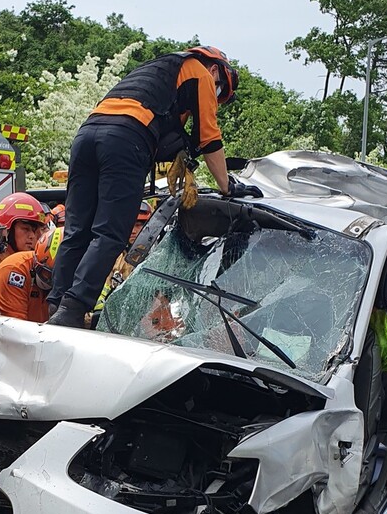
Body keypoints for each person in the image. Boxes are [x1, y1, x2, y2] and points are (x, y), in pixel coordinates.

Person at [47, 46, 245, 328]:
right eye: (219, 91)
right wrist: (227, 186)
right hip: (126, 140)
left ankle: (56, 308)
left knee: (77, 231)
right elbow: (209, 136)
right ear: (216, 71)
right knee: (110, 233)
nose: (215, 97)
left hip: (87, 135)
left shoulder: (159, 72)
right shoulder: (201, 73)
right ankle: (74, 309)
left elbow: (168, 131)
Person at [0, 192, 49, 305]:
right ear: (8, 231)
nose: (32, 236)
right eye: (25, 229)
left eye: (35, 230)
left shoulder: (37, 262)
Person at [0, 226, 61, 323]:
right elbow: (15, 327)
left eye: (57, 277)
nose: (49, 280)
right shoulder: (15, 269)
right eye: (46, 273)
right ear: (36, 260)